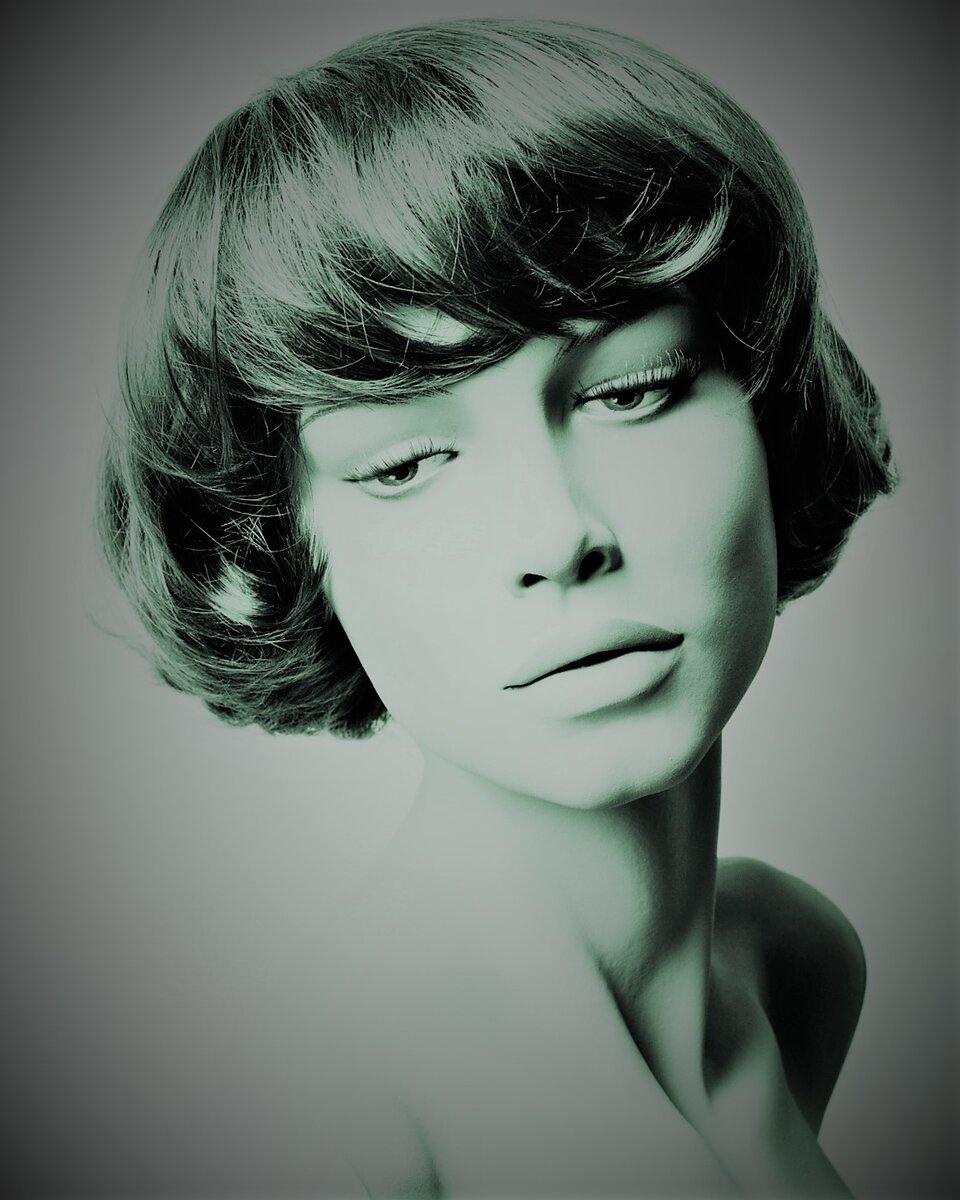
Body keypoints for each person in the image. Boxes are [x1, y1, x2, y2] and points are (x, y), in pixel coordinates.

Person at [99, 17, 896, 1197]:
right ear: (284, 549)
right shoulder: (321, 1138)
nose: (557, 534)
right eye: (405, 463)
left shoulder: (793, 964)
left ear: (770, 413)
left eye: (632, 391)